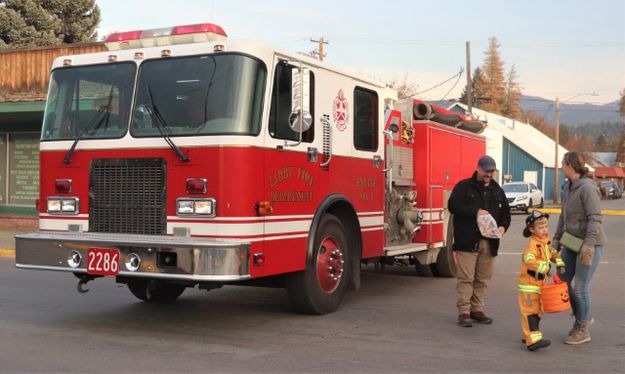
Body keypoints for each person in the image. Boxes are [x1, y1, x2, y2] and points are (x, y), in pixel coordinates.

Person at [449, 155, 511, 327]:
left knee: (483, 279)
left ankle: (477, 309)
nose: (489, 174)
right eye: (486, 170)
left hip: (489, 243)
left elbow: (506, 215)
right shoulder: (463, 187)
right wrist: (475, 211)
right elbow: (453, 206)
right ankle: (464, 312)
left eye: (491, 171)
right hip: (467, 241)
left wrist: (502, 228)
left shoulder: (498, 191)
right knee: (466, 278)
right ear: (478, 168)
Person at [552, 151, 607, 345]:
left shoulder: (587, 188)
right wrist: (556, 241)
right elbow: (563, 216)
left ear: (569, 165)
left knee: (581, 287)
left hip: (590, 244)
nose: (560, 167)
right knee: (561, 279)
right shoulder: (568, 186)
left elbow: (595, 219)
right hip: (571, 242)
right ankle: (583, 315)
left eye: (562, 164)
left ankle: (582, 327)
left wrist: (589, 246)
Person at [518, 210, 565, 351]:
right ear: (532, 229)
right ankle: (533, 341)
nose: (545, 230)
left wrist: (560, 262)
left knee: (538, 311)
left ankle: (527, 335)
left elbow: (552, 252)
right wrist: (546, 268)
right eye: (541, 227)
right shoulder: (533, 244)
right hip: (528, 286)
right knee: (530, 312)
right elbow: (529, 260)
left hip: (539, 285)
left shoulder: (545, 242)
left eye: (546, 227)